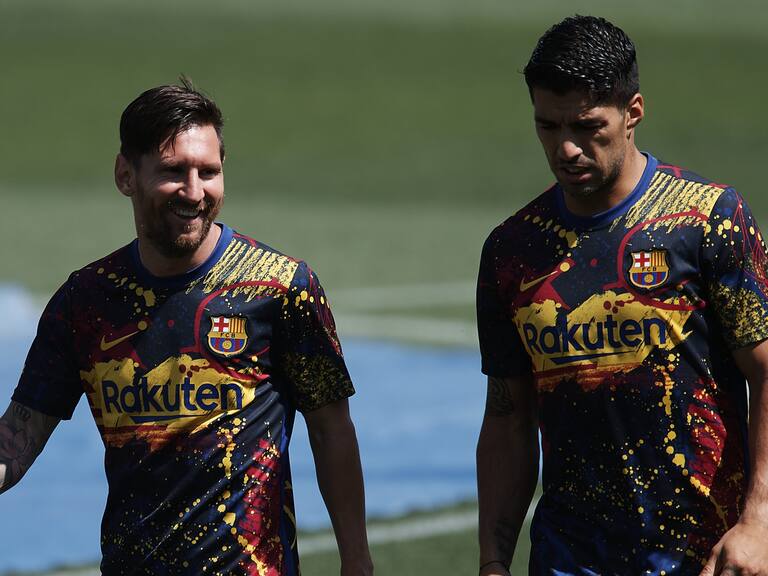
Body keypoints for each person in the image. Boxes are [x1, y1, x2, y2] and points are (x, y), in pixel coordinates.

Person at [0, 79, 373, 576]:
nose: (195, 192)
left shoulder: (281, 287)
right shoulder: (85, 300)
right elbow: (20, 432)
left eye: (209, 172)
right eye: (174, 171)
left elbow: (331, 430)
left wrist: (357, 561)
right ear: (125, 175)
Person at [476, 15, 768, 576]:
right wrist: (493, 560)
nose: (566, 147)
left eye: (588, 126)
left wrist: (759, 520)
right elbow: (508, 418)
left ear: (633, 112)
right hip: (567, 558)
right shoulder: (512, 250)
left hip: (701, 556)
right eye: (547, 126)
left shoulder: (706, 220)